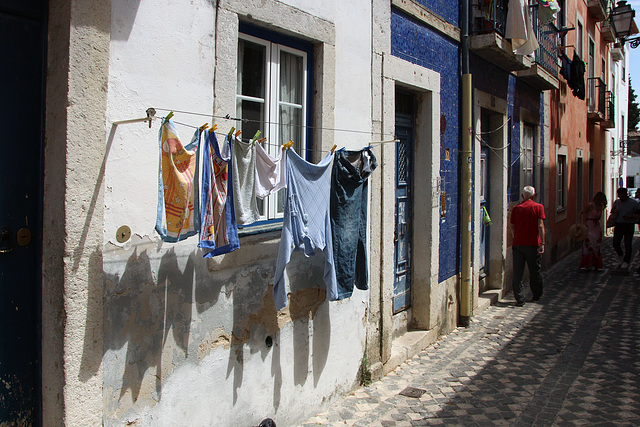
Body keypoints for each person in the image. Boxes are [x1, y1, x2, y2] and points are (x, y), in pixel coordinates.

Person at [510, 186, 546, 307]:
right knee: (534, 270)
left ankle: (520, 298)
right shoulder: (538, 207)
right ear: (534, 196)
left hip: (518, 244)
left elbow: (512, 226)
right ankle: (536, 294)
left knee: (518, 271)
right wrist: (543, 243)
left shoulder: (516, 209)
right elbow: (540, 225)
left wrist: (515, 236)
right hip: (533, 243)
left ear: (522, 196)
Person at [610, 187, 640, 269]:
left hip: (629, 225)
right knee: (615, 243)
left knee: (628, 244)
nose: (621, 197)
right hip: (619, 224)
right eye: (619, 195)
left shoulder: (633, 203)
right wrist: (615, 211)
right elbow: (612, 211)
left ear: (626, 194)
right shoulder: (617, 202)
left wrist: (630, 216)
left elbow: (637, 214)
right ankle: (620, 256)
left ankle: (626, 261)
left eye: (622, 195)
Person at [579, 191, 607, 270]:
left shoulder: (600, 207)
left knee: (597, 245)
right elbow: (580, 213)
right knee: (589, 245)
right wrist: (579, 224)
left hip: (596, 227)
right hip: (589, 226)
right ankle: (585, 264)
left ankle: (596, 264)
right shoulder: (590, 205)